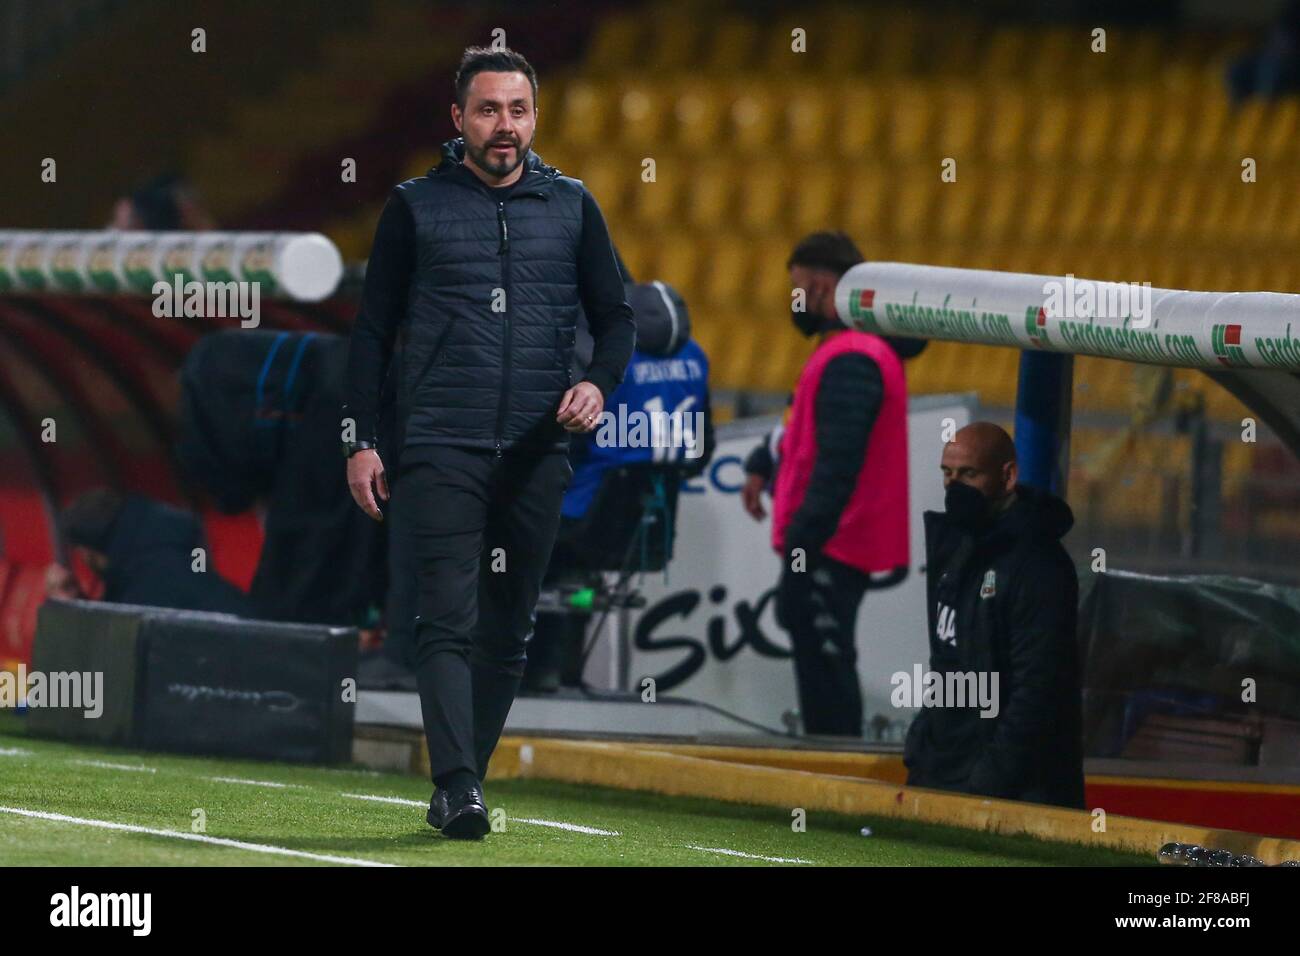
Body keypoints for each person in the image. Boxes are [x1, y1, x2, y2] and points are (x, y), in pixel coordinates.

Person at [342, 47, 634, 839]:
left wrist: (598, 384)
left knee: (511, 626)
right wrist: (362, 442)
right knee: (445, 619)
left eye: (517, 110)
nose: (504, 127)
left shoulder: (572, 206)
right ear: (458, 119)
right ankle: (460, 784)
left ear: (534, 118)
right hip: (441, 441)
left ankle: (460, 778)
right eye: (488, 110)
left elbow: (618, 319)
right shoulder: (414, 207)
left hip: (539, 449)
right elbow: (370, 335)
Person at [741, 231, 914, 737]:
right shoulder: (851, 349)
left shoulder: (853, 356)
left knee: (825, 652)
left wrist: (803, 543)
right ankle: (831, 760)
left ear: (821, 287)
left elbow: (837, 465)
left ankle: (835, 765)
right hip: (832, 537)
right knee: (821, 645)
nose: (797, 301)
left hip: (833, 539)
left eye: (800, 288)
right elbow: (806, 429)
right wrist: (761, 459)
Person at [523, 277, 715, 692]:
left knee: (529, 535)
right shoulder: (697, 358)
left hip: (585, 517)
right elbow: (701, 452)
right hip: (648, 524)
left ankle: (534, 671)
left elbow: (570, 442)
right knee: (575, 576)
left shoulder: (607, 364)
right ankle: (563, 673)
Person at [903, 422, 1085, 808]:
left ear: (1008, 476)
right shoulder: (955, 548)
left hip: (1012, 788)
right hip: (945, 769)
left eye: (969, 474)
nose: (955, 486)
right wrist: (923, 741)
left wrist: (989, 779)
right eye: (947, 474)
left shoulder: (1039, 564)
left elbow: (1037, 689)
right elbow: (948, 661)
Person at [47, 489, 256, 616]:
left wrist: (68, 612)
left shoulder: (145, 590)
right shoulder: (164, 559)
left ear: (95, 553)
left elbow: (110, 665)